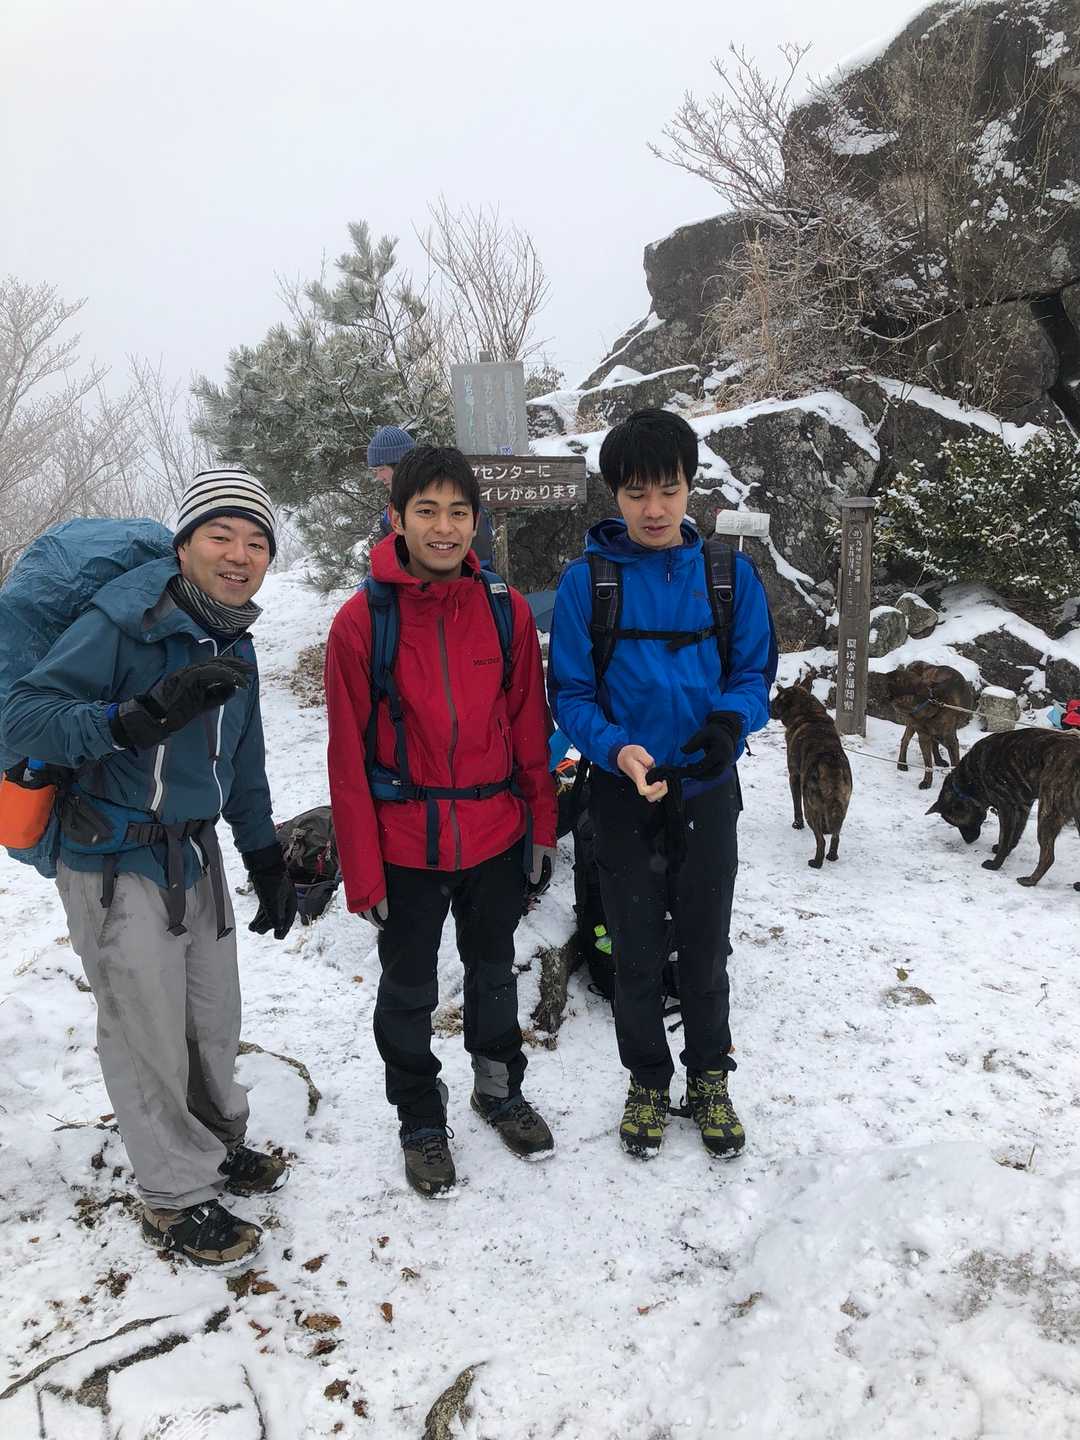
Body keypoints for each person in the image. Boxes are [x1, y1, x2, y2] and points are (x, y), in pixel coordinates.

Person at [0, 469, 298, 1267]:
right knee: (145, 1032)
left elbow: (246, 758)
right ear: (184, 544)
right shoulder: (121, 622)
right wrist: (134, 718)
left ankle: (214, 1142)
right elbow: (24, 716)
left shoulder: (233, 636)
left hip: (195, 855)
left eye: (257, 542)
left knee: (210, 1017)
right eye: (221, 535)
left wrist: (264, 854)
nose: (239, 555)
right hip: (114, 855)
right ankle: (173, 1196)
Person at [325, 445, 557, 1196]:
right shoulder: (361, 623)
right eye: (427, 510)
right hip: (405, 843)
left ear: (476, 520)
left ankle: (499, 1089)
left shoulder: (503, 610)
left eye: (459, 511)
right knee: (408, 991)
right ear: (397, 518)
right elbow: (346, 759)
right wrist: (362, 873)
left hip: (494, 833)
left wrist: (541, 827)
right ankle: (421, 1118)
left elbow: (529, 730)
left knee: (493, 973)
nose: (445, 527)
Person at [547, 409, 774, 1161]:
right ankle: (647, 1078)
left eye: (668, 490)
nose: (653, 508)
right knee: (636, 954)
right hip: (621, 794)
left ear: (689, 487)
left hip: (706, 790)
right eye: (636, 492)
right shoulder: (588, 584)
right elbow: (571, 694)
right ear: (614, 494)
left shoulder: (728, 577)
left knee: (705, 951)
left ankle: (709, 1077)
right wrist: (617, 750)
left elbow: (753, 675)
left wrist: (727, 727)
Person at [366, 425, 497, 570]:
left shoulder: (455, 497)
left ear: (400, 466)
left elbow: (480, 561)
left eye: (382, 469)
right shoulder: (391, 512)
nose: (379, 477)